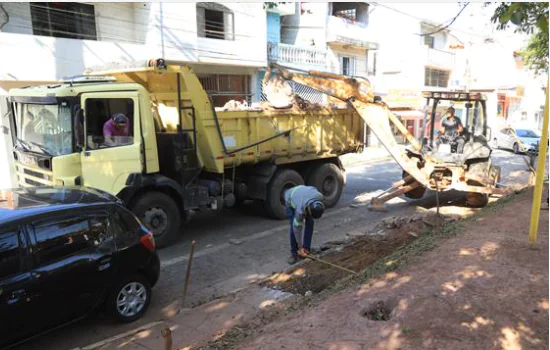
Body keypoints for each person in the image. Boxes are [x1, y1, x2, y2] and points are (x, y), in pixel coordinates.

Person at [284, 185, 325, 265]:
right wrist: (300, 247)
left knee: (310, 222)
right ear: (309, 209)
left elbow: (314, 188)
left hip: (303, 193)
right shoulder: (299, 211)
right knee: (293, 228)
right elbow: (297, 229)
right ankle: (294, 253)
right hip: (290, 197)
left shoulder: (319, 197)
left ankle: (306, 249)